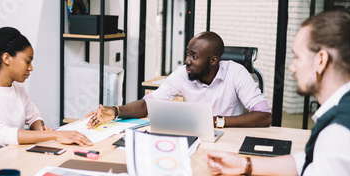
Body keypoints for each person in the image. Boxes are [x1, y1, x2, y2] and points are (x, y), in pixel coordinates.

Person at [149, 11, 350, 176]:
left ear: (321, 60)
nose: (293, 68)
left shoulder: (342, 131)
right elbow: (308, 160)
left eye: (297, 57)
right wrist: (246, 164)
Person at [86, 31, 271, 129]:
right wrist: (116, 111)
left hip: (230, 136)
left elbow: (264, 116)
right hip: (196, 136)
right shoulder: (183, 73)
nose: (187, 61)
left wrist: (216, 122)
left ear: (213, 61)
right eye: (187, 54)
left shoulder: (236, 73)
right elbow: (147, 105)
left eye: (194, 56)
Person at [0, 27, 92, 157]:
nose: (31, 68)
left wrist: (39, 128)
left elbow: (34, 117)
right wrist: (55, 134)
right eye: (27, 61)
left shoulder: (18, 89)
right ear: (7, 58)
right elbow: (1, 135)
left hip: (13, 158)